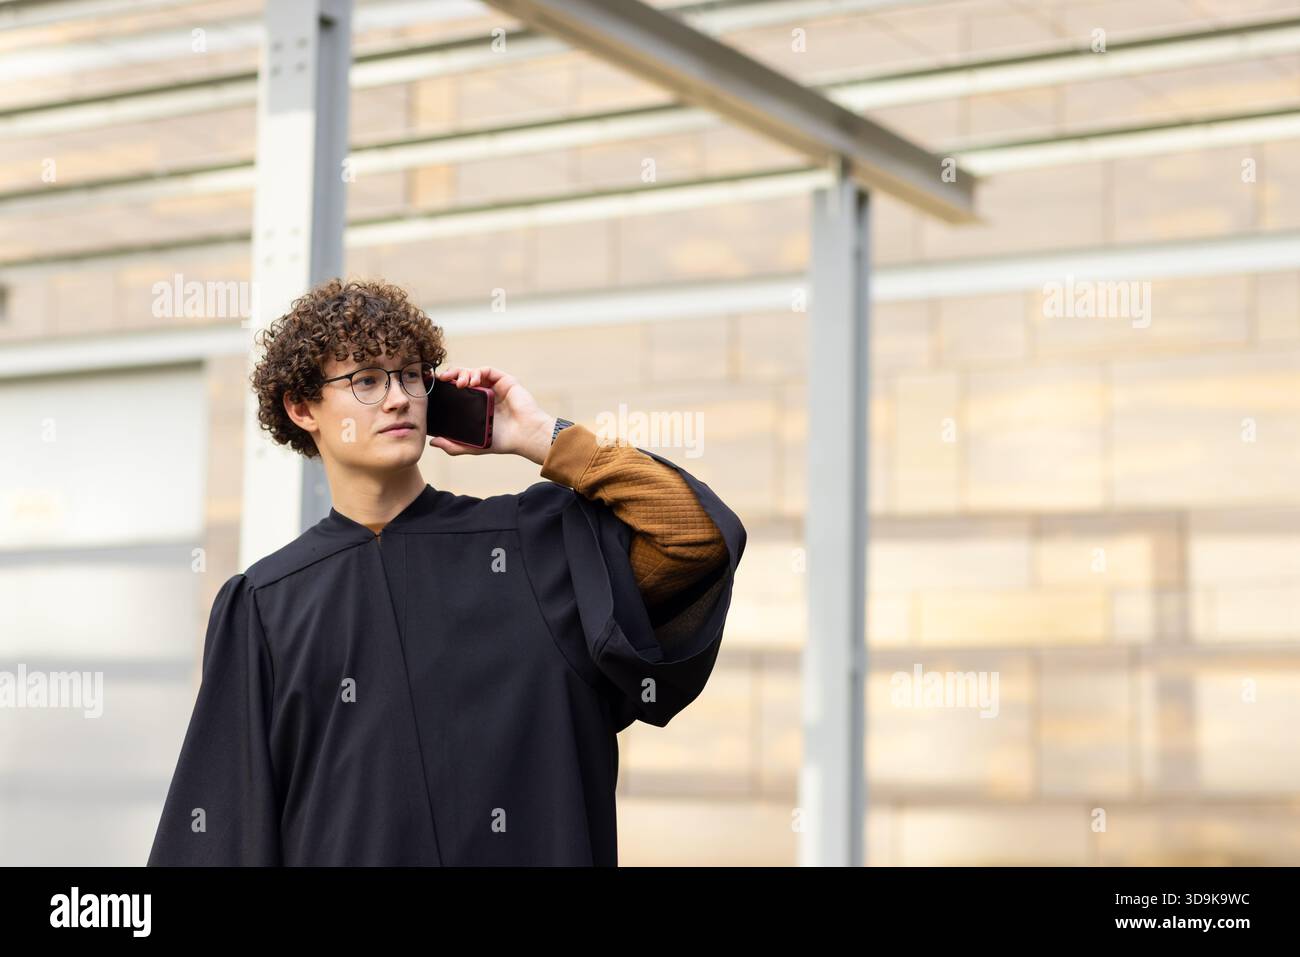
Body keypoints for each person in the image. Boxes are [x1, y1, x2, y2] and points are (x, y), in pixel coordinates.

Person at [147, 277, 746, 865]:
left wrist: (541, 438)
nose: (398, 397)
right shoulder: (266, 606)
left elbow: (695, 538)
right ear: (302, 408)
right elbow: (221, 830)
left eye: (410, 374)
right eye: (366, 379)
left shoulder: (539, 547)